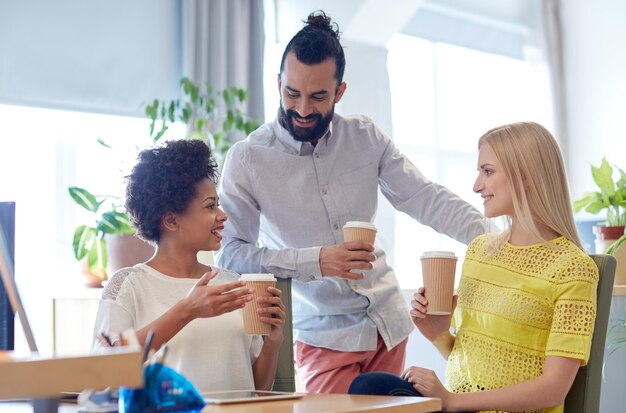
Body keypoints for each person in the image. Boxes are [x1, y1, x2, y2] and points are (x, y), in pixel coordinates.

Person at [215, 10, 485, 394]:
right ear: (278, 83)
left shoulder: (365, 138)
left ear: (340, 91)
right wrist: (317, 260)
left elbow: (425, 198)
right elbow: (230, 254)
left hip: (388, 325)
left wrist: (495, 237)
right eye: (292, 93)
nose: (303, 109)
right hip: (323, 335)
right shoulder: (248, 158)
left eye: (318, 96)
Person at [348, 121, 599, 413]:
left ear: (526, 176)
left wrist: (452, 401)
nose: (477, 186)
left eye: (488, 171)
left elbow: (554, 389)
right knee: (367, 387)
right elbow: (472, 360)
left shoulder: (572, 268)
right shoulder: (481, 250)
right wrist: (439, 334)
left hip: (476, 408)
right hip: (462, 407)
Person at [92, 139, 285, 392]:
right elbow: (102, 372)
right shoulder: (129, 286)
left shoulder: (232, 283)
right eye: (210, 206)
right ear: (171, 220)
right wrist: (187, 310)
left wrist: (273, 341)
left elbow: (258, 388)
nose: (222, 215)